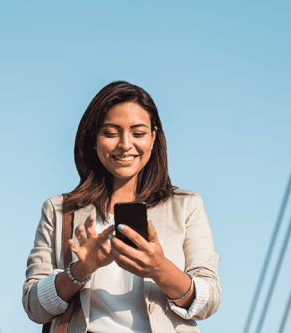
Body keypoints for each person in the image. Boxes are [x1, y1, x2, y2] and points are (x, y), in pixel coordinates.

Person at [23, 81, 221, 333]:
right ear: (93, 139)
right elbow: (33, 306)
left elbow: (210, 300)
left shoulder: (186, 206)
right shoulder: (59, 209)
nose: (125, 144)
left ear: (153, 137)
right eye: (111, 133)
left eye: (138, 133)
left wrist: (159, 269)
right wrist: (81, 270)